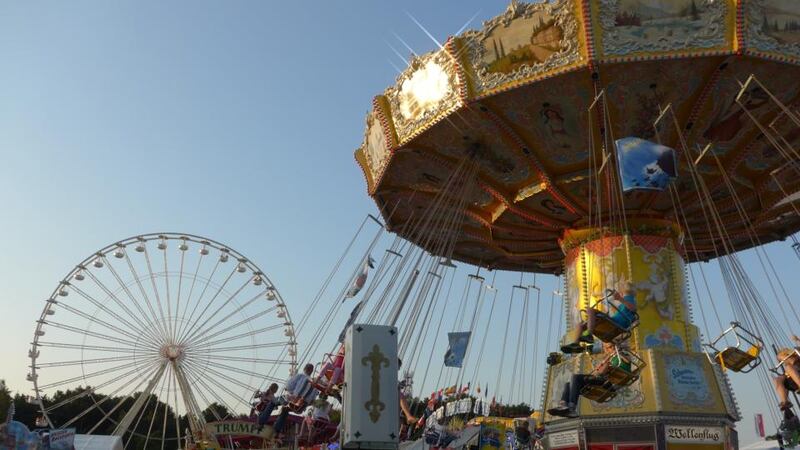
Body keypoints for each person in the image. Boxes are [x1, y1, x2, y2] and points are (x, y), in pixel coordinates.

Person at [562, 284, 637, 354]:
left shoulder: (629, 298)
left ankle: (589, 334)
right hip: (614, 323)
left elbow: (633, 309)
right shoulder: (625, 301)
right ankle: (576, 343)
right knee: (581, 324)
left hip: (616, 324)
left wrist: (620, 299)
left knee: (590, 310)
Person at [274, 363, 319, 435]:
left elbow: (288, 387)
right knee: (285, 410)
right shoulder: (315, 386)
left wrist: (291, 392)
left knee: (274, 401)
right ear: (312, 371)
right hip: (301, 407)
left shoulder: (301, 376)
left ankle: (276, 428)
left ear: (305, 368)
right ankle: (278, 431)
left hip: (294, 402)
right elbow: (312, 401)